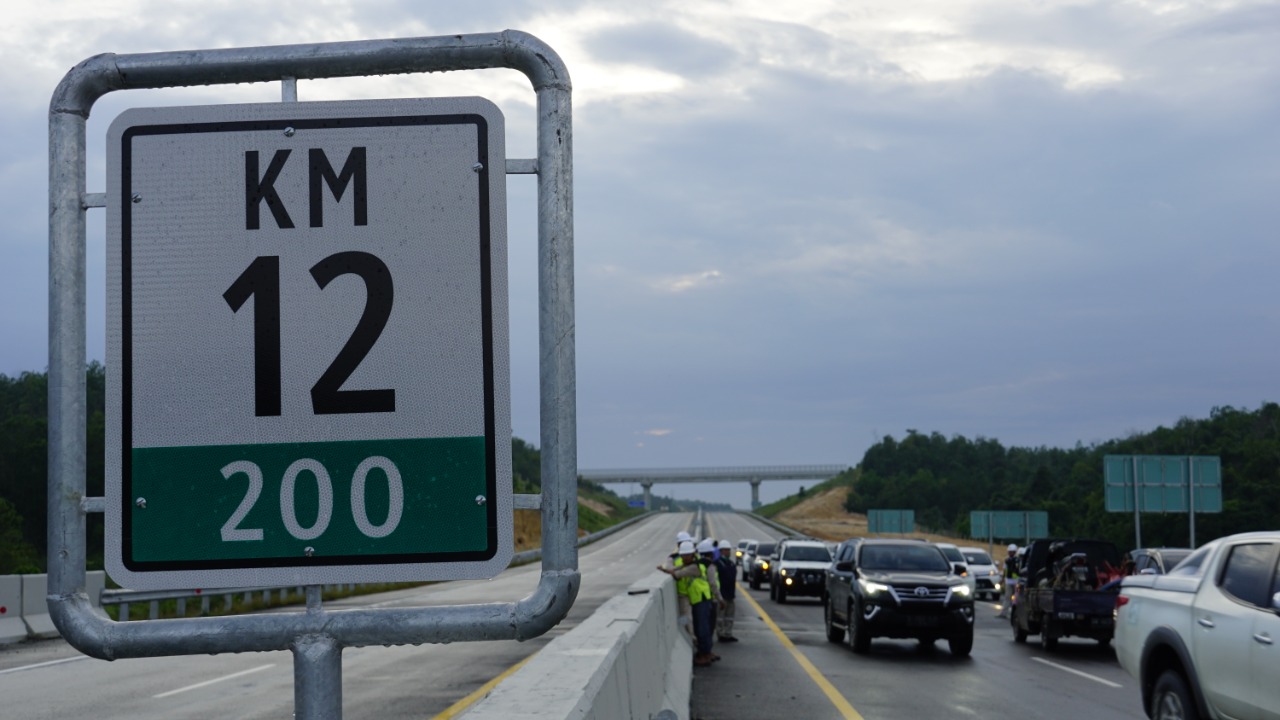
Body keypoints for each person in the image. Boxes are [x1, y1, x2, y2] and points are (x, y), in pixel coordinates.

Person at [659, 540, 716, 666]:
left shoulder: (694, 567)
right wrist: (665, 570)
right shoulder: (694, 563)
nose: (684, 558)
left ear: (693, 554)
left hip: (701, 599)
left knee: (702, 629)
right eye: (683, 555)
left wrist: (669, 571)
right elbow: (676, 568)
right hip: (699, 599)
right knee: (702, 626)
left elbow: (678, 574)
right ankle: (706, 653)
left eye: (686, 555)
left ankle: (705, 655)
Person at [713, 539, 739, 642]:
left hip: (730, 594)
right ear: (721, 551)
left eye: (729, 550)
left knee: (729, 616)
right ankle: (720, 634)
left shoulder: (731, 563)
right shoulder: (717, 564)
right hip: (722, 594)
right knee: (720, 616)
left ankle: (728, 633)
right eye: (726, 550)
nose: (729, 552)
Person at [997, 543, 1019, 619]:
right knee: (1008, 597)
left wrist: (1002, 580)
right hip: (1010, 581)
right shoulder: (1008, 560)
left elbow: (1005, 571)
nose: (1010, 553)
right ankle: (1004, 613)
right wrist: (1002, 580)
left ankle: (1014, 614)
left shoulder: (1018, 560)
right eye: (1009, 551)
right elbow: (1005, 571)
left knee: (1014, 598)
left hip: (1015, 582)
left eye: (1011, 551)